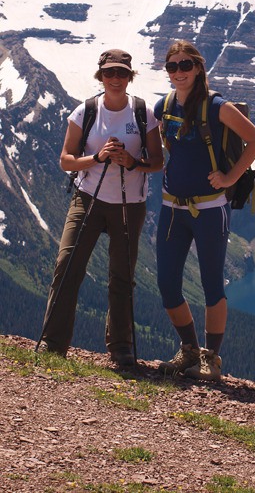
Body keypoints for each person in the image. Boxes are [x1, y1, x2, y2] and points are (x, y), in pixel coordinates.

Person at [39, 49, 164, 367]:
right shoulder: (87, 111)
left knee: (122, 276)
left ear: (130, 76)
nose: (116, 79)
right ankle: (53, 344)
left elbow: (157, 161)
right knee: (67, 266)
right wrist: (97, 158)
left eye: (122, 73)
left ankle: (121, 348)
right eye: (110, 73)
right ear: (101, 76)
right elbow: (66, 160)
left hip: (129, 203)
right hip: (88, 199)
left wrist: (131, 162)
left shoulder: (142, 113)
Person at [155, 40, 255, 381]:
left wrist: (230, 176)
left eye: (185, 65)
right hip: (172, 207)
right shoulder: (166, 105)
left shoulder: (217, 105)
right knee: (167, 284)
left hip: (210, 209)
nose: (179, 72)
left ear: (199, 67)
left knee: (211, 283)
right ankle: (189, 351)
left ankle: (211, 358)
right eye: (172, 66)